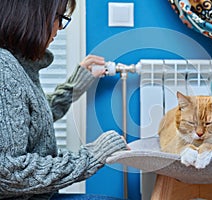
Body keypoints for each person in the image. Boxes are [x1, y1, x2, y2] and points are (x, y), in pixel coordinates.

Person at [0, 0, 128, 199]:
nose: (59, 27)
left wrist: (73, 86)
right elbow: (9, 173)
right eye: (59, 17)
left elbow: (29, 120)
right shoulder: (4, 69)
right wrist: (93, 155)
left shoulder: (19, 65)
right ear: (32, 15)